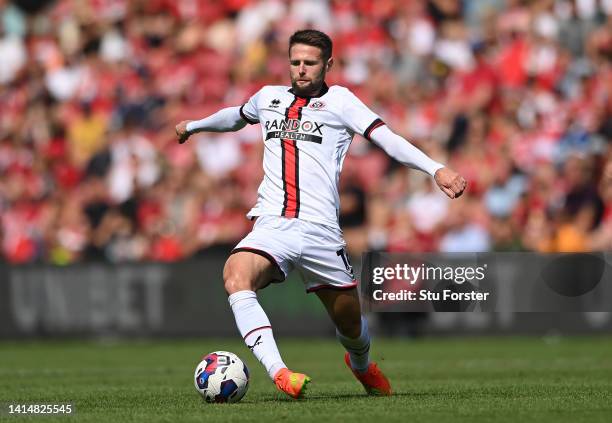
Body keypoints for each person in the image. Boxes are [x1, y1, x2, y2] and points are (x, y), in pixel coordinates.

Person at [175, 29, 467, 399]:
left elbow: (386, 138)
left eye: (309, 63)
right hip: (272, 224)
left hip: (321, 232)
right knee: (235, 275)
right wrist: (194, 125)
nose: (300, 69)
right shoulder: (268, 98)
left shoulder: (342, 102)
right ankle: (280, 373)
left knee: (350, 324)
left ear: (327, 64)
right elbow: (235, 116)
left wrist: (436, 168)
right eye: (295, 61)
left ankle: (361, 365)